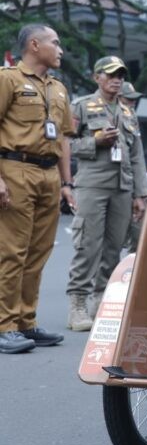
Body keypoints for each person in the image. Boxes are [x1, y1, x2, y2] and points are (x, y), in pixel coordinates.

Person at [0, 24, 75, 354]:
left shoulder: (59, 88)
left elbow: (63, 139)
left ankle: (26, 323)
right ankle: (5, 326)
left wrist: (67, 183)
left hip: (49, 175)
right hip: (16, 168)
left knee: (38, 253)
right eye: (55, 43)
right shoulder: (8, 80)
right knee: (12, 252)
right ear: (34, 45)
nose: (60, 49)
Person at [65, 57, 147, 331]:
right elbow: (65, 145)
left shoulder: (127, 112)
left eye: (121, 75)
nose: (117, 79)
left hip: (122, 188)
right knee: (87, 245)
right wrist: (95, 142)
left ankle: (101, 299)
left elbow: (137, 157)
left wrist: (141, 194)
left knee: (114, 248)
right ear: (97, 77)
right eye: (111, 74)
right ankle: (77, 305)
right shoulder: (81, 106)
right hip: (92, 185)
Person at [118, 81, 145, 255]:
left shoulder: (132, 119)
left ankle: (131, 278)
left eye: (134, 100)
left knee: (138, 237)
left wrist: (141, 194)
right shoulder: (96, 110)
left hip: (129, 187)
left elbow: (137, 158)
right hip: (107, 186)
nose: (132, 103)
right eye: (129, 99)